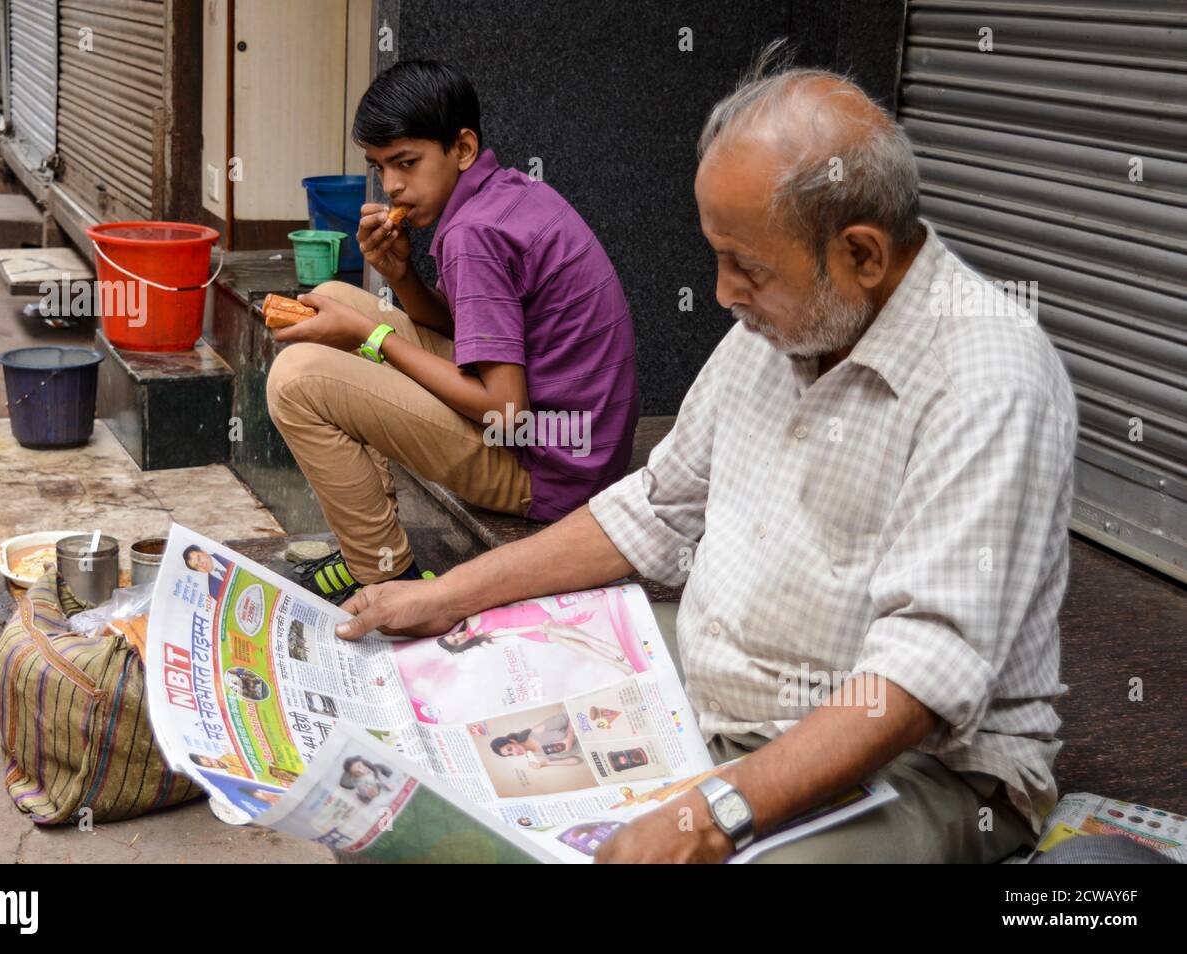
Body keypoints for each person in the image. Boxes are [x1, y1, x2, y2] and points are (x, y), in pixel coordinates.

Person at [329, 45, 1077, 864]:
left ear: (861, 255)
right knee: (436, 706)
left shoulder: (989, 378)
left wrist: (714, 815)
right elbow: (655, 506)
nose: (721, 294)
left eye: (745, 267)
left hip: (922, 765)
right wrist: (446, 597)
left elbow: (923, 674)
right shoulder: (778, 325)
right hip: (722, 682)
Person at [266, 59, 640, 605]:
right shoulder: (509, 194)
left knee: (296, 378)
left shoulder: (473, 233)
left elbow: (504, 410)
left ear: (461, 149)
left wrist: (374, 338)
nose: (392, 186)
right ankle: (373, 549)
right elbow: (484, 332)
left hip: (548, 468)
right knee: (339, 299)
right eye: (380, 167)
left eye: (407, 163)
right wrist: (402, 277)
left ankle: (384, 574)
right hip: (576, 442)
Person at [436, 604, 634, 675]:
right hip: (527, 628)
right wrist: (537, 628)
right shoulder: (482, 636)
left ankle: (607, 647)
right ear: (462, 646)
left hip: (527, 614)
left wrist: (538, 625)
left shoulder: (470, 620)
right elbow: (507, 631)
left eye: (454, 635)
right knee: (562, 638)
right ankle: (614, 662)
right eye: (457, 641)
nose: (458, 636)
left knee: (559, 632)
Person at [491, 713, 584, 768]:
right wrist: (546, 764)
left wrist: (570, 736)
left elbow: (571, 714)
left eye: (510, 749)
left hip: (589, 723)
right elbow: (577, 760)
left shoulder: (537, 731)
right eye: (511, 755)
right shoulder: (540, 757)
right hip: (594, 744)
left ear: (512, 741)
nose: (515, 753)